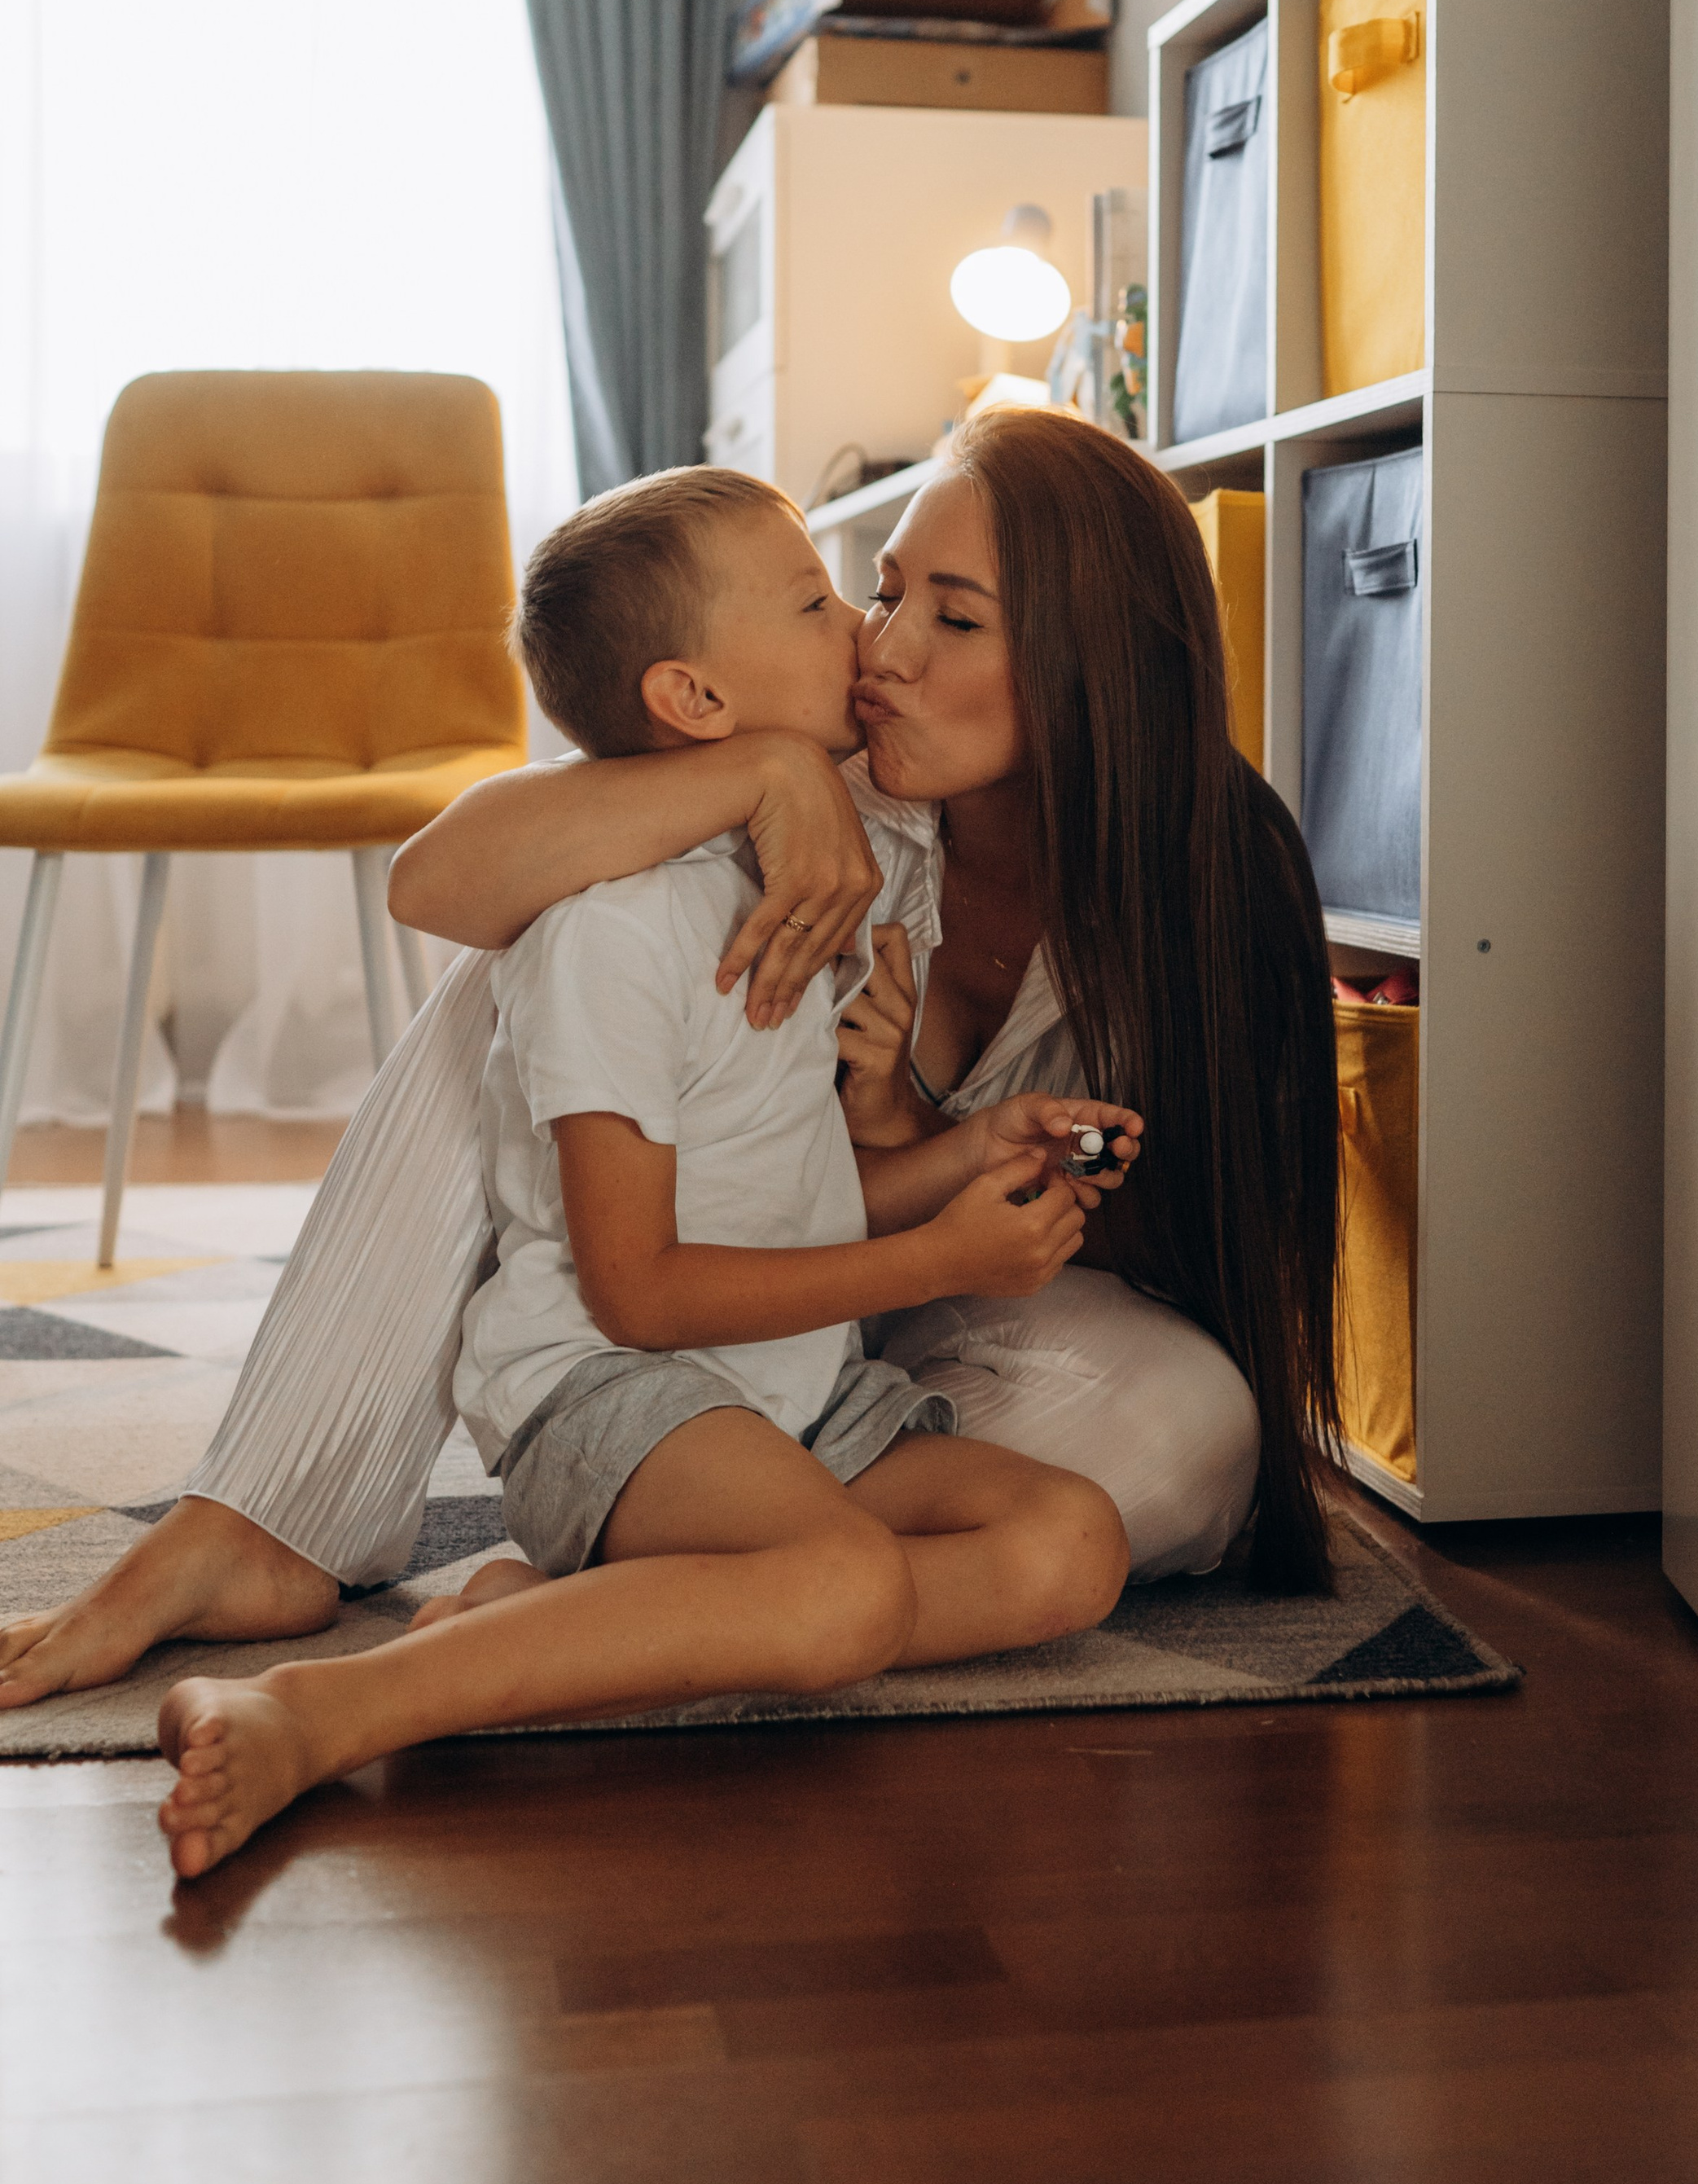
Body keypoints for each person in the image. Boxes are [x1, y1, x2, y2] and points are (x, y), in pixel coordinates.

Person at [0, 407, 1340, 1711]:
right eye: (879, 595)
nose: (887, 649)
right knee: (519, 957)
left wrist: (928, 1133)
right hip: (734, 1291)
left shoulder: (1218, 870)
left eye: (959, 616)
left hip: (966, 1320)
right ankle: (267, 1514)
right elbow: (439, 881)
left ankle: (644, 1602)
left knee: (1186, 1436)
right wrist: (760, 769)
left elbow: (1205, 1232)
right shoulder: (841, 771)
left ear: (1098, 661)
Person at [156, 464, 1135, 1874]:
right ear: (693, 702)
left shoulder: (816, 874)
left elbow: (797, 1206)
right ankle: (324, 1708)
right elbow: (637, 1291)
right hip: (623, 1385)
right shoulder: (610, 927)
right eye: (829, 600)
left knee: (1066, 1545)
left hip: (794, 1386)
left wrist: (970, 1151)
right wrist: (942, 1262)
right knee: (846, 1591)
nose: (868, 639)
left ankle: (562, 1625)